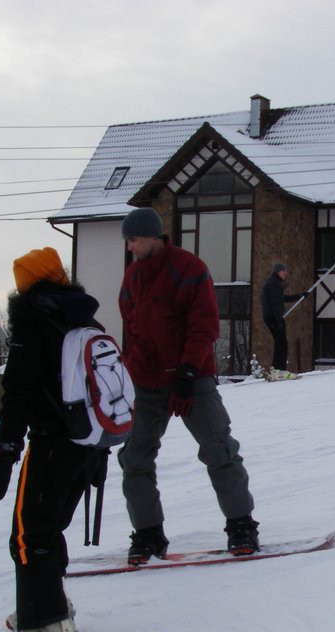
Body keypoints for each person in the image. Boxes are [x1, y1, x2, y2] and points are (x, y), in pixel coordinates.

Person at [0, 247, 107, 632]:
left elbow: (17, 396)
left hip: (53, 444)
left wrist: (4, 454)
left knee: (29, 534)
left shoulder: (32, 324)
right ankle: (51, 608)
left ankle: (45, 630)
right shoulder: (85, 319)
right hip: (88, 443)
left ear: (27, 285)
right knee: (48, 528)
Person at [117, 207, 259, 563]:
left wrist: (187, 373)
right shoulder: (132, 278)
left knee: (219, 449)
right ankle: (148, 534)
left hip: (192, 379)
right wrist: (129, 378)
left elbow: (204, 325)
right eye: (127, 241)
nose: (130, 246)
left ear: (153, 235)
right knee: (134, 458)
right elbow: (132, 333)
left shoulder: (189, 269)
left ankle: (241, 525)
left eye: (133, 239)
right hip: (147, 383)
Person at [260, 262, 306, 377]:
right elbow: (275, 303)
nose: (286, 273)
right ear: (278, 272)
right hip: (273, 317)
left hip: (271, 317)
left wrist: (299, 296)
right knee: (282, 343)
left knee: (280, 342)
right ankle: (278, 370)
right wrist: (278, 321)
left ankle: (276, 369)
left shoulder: (273, 283)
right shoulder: (274, 283)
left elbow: (281, 299)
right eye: (284, 271)